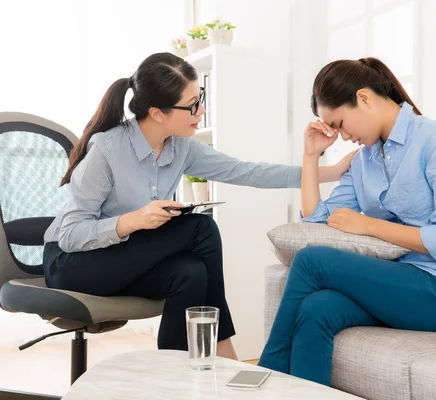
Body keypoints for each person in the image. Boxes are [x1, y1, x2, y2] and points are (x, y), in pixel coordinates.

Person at [43, 52, 356, 360]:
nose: (201, 110)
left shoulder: (181, 148)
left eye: (200, 98)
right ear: (156, 113)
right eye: (192, 105)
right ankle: (223, 349)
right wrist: (134, 220)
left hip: (123, 260)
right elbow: (71, 234)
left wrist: (328, 171)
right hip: (72, 264)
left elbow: (249, 171)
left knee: (190, 273)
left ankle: (176, 377)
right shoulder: (107, 149)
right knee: (201, 226)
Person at [258, 57, 436, 385]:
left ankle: (267, 375)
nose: (340, 135)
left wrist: (368, 225)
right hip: (402, 282)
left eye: (338, 124)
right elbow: (317, 222)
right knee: (316, 309)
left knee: (311, 261)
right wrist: (311, 156)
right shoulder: (364, 160)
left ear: (363, 98)